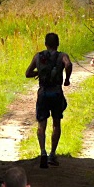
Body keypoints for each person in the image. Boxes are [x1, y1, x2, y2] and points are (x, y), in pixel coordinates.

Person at [25, 32, 73, 168]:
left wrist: (38, 73)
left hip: (43, 92)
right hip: (56, 92)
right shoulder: (62, 56)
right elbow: (68, 65)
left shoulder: (38, 56)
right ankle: (52, 154)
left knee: (41, 124)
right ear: (57, 44)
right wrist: (67, 79)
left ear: (45, 44)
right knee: (56, 124)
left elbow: (27, 73)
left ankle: (43, 152)